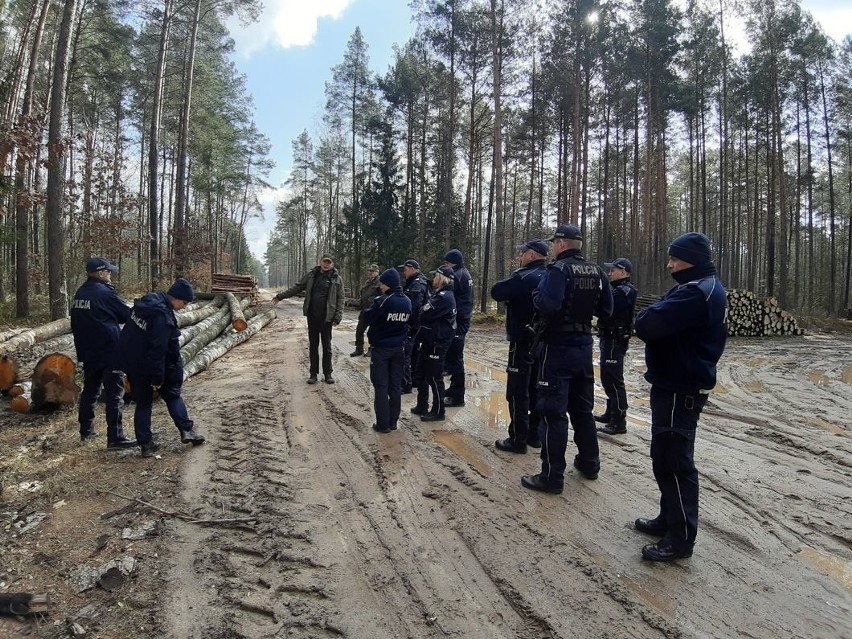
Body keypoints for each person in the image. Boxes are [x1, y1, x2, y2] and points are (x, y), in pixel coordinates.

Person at [633, 232, 727, 562]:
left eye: (675, 258)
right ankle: (668, 519)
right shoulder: (701, 286)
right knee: (665, 455)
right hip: (676, 382)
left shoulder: (694, 293)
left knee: (674, 460)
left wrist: (647, 314)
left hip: (680, 386)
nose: (670, 264)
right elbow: (656, 317)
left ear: (691, 260)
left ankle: (681, 537)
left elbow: (647, 324)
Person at [521, 223, 612, 494]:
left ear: (561, 243)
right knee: (582, 409)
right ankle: (589, 462)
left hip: (557, 347)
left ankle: (551, 476)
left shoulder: (558, 270)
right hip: (584, 345)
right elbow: (607, 310)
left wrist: (537, 294)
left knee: (552, 412)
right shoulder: (598, 272)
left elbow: (548, 304)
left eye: (553, 243)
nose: (552, 247)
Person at [117, 278, 206, 457]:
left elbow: (128, 333)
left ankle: (146, 444)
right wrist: (157, 378)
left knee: (143, 402)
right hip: (157, 365)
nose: (185, 306)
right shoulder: (162, 317)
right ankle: (186, 430)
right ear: (177, 298)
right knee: (172, 395)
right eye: (185, 302)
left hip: (134, 362)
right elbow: (158, 350)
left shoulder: (147, 302)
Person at [70, 257, 136, 449]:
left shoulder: (80, 294)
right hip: (109, 351)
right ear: (100, 273)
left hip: (88, 352)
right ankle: (115, 437)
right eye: (108, 271)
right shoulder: (105, 293)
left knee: (90, 391)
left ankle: (86, 431)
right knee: (115, 393)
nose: (110, 274)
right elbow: (126, 315)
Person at [490, 239, 548, 454]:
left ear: (531, 255)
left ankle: (518, 438)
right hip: (543, 341)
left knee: (517, 390)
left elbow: (497, 291)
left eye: (523, 253)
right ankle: (535, 433)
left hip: (522, 339)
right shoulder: (551, 275)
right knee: (537, 387)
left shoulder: (523, 276)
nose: (520, 257)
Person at [273, 254, 345, 384]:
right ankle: (313, 374)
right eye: (325, 262)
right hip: (312, 316)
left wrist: (338, 316)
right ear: (320, 262)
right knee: (313, 345)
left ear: (332, 264)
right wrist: (280, 296)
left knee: (327, 346)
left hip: (327, 318)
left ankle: (328, 374)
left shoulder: (337, 279)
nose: (327, 264)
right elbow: (298, 287)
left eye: (329, 262)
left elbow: (341, 299)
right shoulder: (312, 275)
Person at [364, 268, 412, 433]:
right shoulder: (407, 300)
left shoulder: (383, 301)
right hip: (399, 348)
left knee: (381, 386)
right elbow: (411, 321)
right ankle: (393, 421)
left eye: (383, 284)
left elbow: (368, 317)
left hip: (382, 349)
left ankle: (383, 424)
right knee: (395, 386)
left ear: (389, 285)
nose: (381, 287)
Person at [595, 257, 638, 435]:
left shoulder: (624, 291)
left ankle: (619, 420)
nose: (610, 273)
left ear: (623, 271)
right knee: (607, 377)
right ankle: (611, 412)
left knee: (613, 379)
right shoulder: (616, 289)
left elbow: (606, 309)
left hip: (615, 339)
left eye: (613, 270)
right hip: (609, 337)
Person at [411, 266, 457, 422]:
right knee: (420, 372)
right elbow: (423, 312)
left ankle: (438, 411)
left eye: (435, 276)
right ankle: (422, 404)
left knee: (434, 376)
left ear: (442, 278)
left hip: (438, 341)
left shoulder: (445, 297)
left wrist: (424, 311)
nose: (433, 279)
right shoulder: (438, 294)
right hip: (429, 339)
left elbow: (424, 314)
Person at [442, 249, 473, 407]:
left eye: (447, 263)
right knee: (454, 357)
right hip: (462, 319)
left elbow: (449, 297)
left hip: (458, 321)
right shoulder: (464, 273)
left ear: (452, 262)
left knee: (455, 358)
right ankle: (454, 388)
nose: (445, 265)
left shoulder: (457, 276)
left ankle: (457, 395)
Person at [398, 259, 430, 394]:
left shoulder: (418, 284)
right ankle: (414, 379)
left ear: (411, 268)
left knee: (406, 353)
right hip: (417, 325)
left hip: (414, 326)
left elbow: (415, 307)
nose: (403, 273)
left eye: (405, 269)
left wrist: (409, 324)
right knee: (414, 353)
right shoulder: (414, 282)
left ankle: (406, 383)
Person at [350, 264, 381, 356]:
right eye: (369, 271)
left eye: (372, 271)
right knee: (359, 330)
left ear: (377, 272)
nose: (370, 273)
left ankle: (372, 349)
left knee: (372, 332)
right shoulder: (367, 283)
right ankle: (359, 349)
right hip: (364, 311)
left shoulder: (380, 284)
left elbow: (380, 298)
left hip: (374, 312)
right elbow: (363, 296)